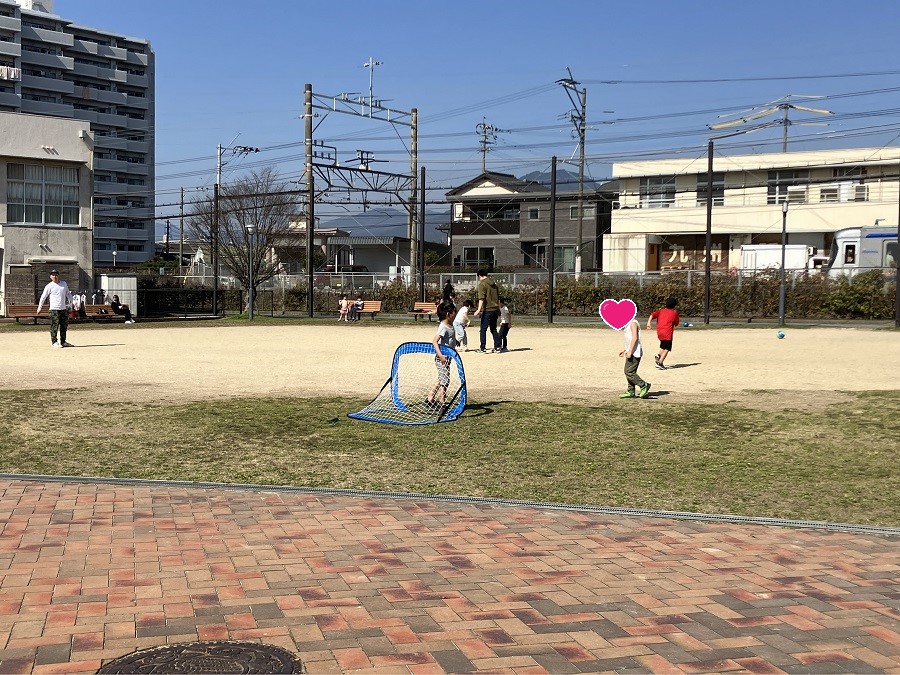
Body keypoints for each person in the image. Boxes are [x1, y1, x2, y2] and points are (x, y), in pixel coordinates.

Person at [425, 302, 457, 409]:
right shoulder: (443, 326)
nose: (455, 314)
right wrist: (441, 356)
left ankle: (432, 397)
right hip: (441, 359)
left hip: (448, 358)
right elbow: (435, 341)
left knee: (443, 379)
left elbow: (449, 338)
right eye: (454, 312)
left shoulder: (450, 325)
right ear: (448, 314)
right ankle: (441, 401)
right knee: (445, 380)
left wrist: (455, 341)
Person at [36, 269, 74, 348]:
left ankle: (63, 341)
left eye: (56, 275)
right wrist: (39, 307)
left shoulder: (63, 284)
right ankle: (54, 342)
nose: (55, 277)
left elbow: (68, 293)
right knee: (54, 326)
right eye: (53, 275)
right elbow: (43, 297)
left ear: (58, 276)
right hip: (54, 309)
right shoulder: (49, 286)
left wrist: (72, 302)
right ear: (50, 277)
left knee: (64, 326)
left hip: (63, 309)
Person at [619, 313, 650, 399]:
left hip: (635, 352)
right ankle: (631, 391)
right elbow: (628, 340)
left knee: (629, 372)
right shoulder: (628, 324)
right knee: (628, 371)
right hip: (630, 351)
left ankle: (643, 385)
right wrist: (625, 350)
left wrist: (630, 351)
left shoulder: (633, 323)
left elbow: (635, 338)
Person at [471, 268, 501, 353]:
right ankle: (497, 346)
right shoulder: (494, 284)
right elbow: (498, 297)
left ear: (479, 276)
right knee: (493, 329)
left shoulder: (482, 284)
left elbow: (481, 298)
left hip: (487, 310)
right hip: (495, 309)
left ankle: (482, 348)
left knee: (483, 329)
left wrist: (478, 310)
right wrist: (498, 308)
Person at [646, 296, 680, 369]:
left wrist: (648, 323)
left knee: (663, 346)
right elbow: (676, 323)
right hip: (667, 333)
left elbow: (652, 315)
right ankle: (660, 362)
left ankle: (658, 356)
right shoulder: (674, 313)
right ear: (674, 305)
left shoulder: (661, 311)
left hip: (660, 332)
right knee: (667, 348)